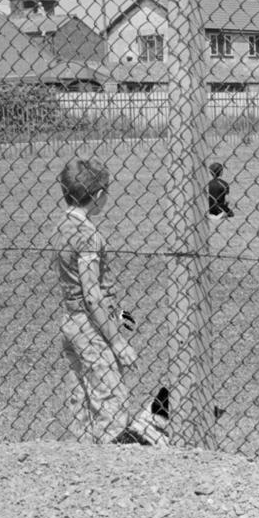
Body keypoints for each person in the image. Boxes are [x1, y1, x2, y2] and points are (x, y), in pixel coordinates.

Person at [56, 157, 168, 446]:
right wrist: (118, 341)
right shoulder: (88, 236)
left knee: (80, 394)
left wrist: (118, 312)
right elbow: (92, 296)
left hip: (70, 320)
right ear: (99, 196)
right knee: (111, 396)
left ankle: (81, 454)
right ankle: (109, 463)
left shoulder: (61, 227)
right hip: (92, 326)